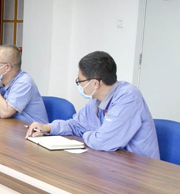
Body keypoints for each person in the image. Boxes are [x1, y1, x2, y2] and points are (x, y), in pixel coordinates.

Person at [27, 51, 160, 159]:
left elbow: (103, 142)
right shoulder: (96, 100)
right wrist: (47, 128)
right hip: (110, 163)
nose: (79, 85)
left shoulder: (128, 97)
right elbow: (75, 125)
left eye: (80, 81)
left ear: (95, 83)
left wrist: (88, 134)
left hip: (138, 171)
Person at [0, 45, 48, 124]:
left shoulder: (24, 82)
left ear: (7, 67)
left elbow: (5, 113)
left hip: (32, 130)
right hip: (10, 127)